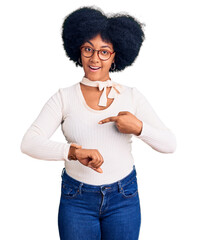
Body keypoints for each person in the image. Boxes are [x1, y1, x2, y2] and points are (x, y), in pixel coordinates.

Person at [20, 6, 176, 240]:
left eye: (104, 52)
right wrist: (73, 152)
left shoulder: (131, 96)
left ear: (115, 56)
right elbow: (29, 143)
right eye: (88, 49)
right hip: (77, 200)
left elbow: (170, 144)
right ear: (78, 51)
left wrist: (139, 128)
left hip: (124, 198)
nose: (95, 58)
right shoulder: (64, 97)